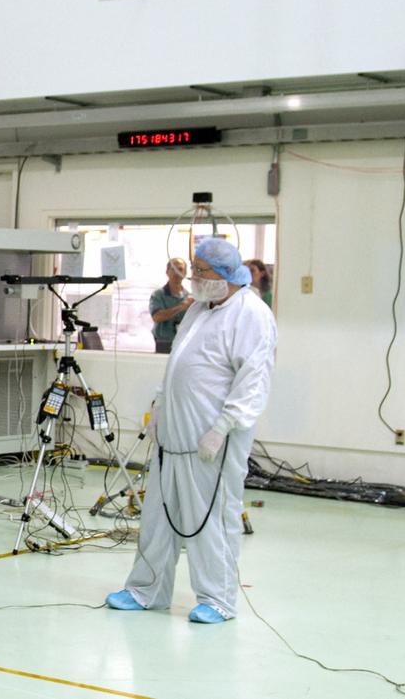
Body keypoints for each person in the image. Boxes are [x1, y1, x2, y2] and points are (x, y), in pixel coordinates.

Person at [106, 238, 275, 624]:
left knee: (211, 518)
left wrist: (223, 427)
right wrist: (160, 408)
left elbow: (253, 380)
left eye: (201, 271)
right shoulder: (200, 308)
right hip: (175, 435)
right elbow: (180, 363)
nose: (193, 277)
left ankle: (217, 599)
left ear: (227, 275)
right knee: (158, 516)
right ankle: (146, 590)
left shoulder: (251, 314)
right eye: (194, 269)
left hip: (213, 438)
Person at [149, 258, 194, 354]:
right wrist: (180, 307)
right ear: (167, 272)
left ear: (185, 273)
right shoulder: (158, 295)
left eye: (180, 269)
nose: (177, 272)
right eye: (173, 269)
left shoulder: (190, 297)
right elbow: (157, 317)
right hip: (163, 343)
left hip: (183, 343)